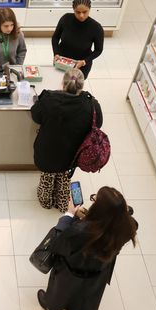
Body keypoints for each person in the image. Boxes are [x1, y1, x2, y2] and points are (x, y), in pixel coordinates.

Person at [37, 186, 138, 310]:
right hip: (98, 271)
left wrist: (69, 215)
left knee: (60, 291)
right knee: (86, 293)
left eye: (95, 200)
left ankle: (52, 309)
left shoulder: (82, 231)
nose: (93, 201)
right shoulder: (129, 227)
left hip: (71, 269)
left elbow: (59, 244)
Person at [30, 68, 102, 210]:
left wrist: (55, 93)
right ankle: (63, 202)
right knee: (64, 175)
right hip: (73, 153)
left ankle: (46, 201)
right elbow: (97, 124)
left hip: (48, 150)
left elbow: (36, 115)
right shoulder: (92, 105)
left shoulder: (49, 99)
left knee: (47, 175)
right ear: (82, 85)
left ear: (63, 83)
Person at [51, 0, 104, 79]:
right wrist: (56, 53)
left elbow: (98, 50)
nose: (81, 15)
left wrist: (84, 62)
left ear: (89, 9)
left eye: (85, 12)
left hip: (82, 64)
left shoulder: (96, 27)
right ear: (73, 10)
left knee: (74, 88)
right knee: (57, 83)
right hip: (62, 61)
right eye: (78, 12)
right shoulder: (65, 19)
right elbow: (55, 38)